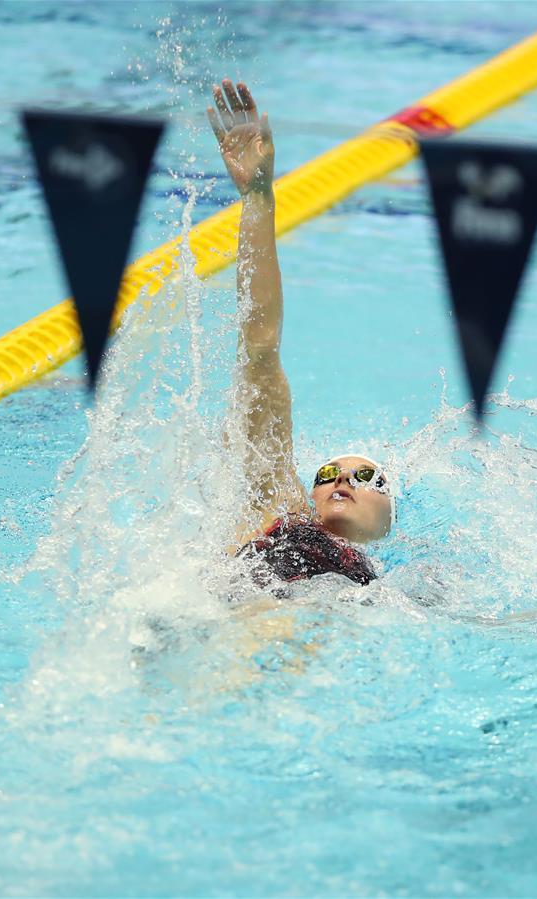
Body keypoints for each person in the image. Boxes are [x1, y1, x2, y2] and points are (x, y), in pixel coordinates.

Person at [207, 79, 395, 587]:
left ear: (387, 522)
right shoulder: (276, 506)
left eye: (366, 477)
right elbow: (260, 345)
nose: (342, 479)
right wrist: (258, 196)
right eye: (329, 473)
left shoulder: (392, 590)